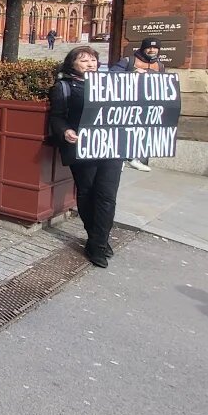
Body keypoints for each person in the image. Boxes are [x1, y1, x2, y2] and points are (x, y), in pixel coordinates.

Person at [48, 46, 121, 268]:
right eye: (84, 61)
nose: (90, 64)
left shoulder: (111, 85)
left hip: (110, 147)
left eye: (93, 60)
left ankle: (99, 243)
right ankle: (97, 240)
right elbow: (57, 117)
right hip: (83, 148)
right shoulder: (64, 87)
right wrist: (65, 131)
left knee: (107, 196)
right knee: (88, 194)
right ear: (72, 64)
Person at [111, 38, 164, 172]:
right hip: (126, 104)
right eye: (149, 47)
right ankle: (119, 159)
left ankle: (132, 158)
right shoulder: (129, 61)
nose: (152, 50)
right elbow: (111, 76)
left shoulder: (160, 65)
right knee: (123, 131)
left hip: (146, 105)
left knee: (139, 132)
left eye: (155, 48)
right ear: (142, 48)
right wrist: (132, 73)